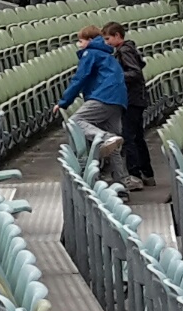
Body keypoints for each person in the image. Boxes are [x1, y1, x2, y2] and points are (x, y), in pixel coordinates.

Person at [56, 25, 128, 168]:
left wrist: (64, 102)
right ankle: (122, 178)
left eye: (81, 41)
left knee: (74, 122)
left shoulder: (90, 53)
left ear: (90, 40)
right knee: (113, 146)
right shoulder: (106, 54)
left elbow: (79, 78)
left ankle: (105, 138)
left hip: (104, 96)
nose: (79, 45)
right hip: (118, 100)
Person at [108, 21, 153, 188]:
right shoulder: (129, 49)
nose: (106, 43)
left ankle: (134, 175)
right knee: (138, 136)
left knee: (129, 137)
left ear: (117, 36)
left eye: (108, 39)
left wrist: (117, 76)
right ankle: (147, 173)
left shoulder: (124, 51)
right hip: (137, 98)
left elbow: (135, 73)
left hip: (132, 98)